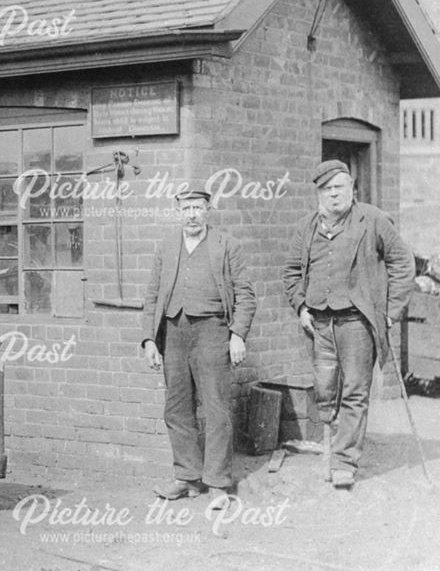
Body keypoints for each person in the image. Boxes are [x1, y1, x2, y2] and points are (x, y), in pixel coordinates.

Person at [282, 160, 414, 489]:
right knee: (325, 390)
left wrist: (390, 311)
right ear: (318, 194)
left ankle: (344, 461)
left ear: (352, 189)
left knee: (354, 391)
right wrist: (300, 307)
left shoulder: (372, 220)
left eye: (340, 187)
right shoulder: (307, 227)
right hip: (319, 322)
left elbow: (402, 262)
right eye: (327, 189)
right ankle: (330, 445)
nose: (334, 194)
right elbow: (291, 272)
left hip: (357, 322)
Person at [142, 190, 256, 504]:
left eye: (198, 208)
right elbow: (152, 296)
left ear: (208, 210)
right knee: (177, 408)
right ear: (178, 211)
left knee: (216, 407)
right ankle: (187, 477)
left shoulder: (226, 245)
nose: (192, 214)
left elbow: (246, 295)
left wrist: (237, 335)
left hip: (213, 331)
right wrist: (150, 339)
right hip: (174, 333)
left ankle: (218, 483)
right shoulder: (166, 246)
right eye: (186, 208)